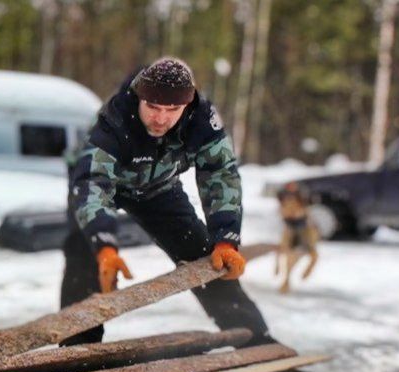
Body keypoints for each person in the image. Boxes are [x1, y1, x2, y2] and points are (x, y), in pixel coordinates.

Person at [61, 57, 274, 347]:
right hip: (97, 180)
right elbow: (93, 182)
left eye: (172, 110)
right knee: (84, 254)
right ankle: (77, 351)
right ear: (140, 98)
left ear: (187, 104)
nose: (161, 118)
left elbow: (220, 174)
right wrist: (105, 247)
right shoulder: (114, 118)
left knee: (205, 256)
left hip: (158, 187)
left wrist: (226, 239)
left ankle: (254, 339)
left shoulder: (202, 119)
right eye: (153, 107)